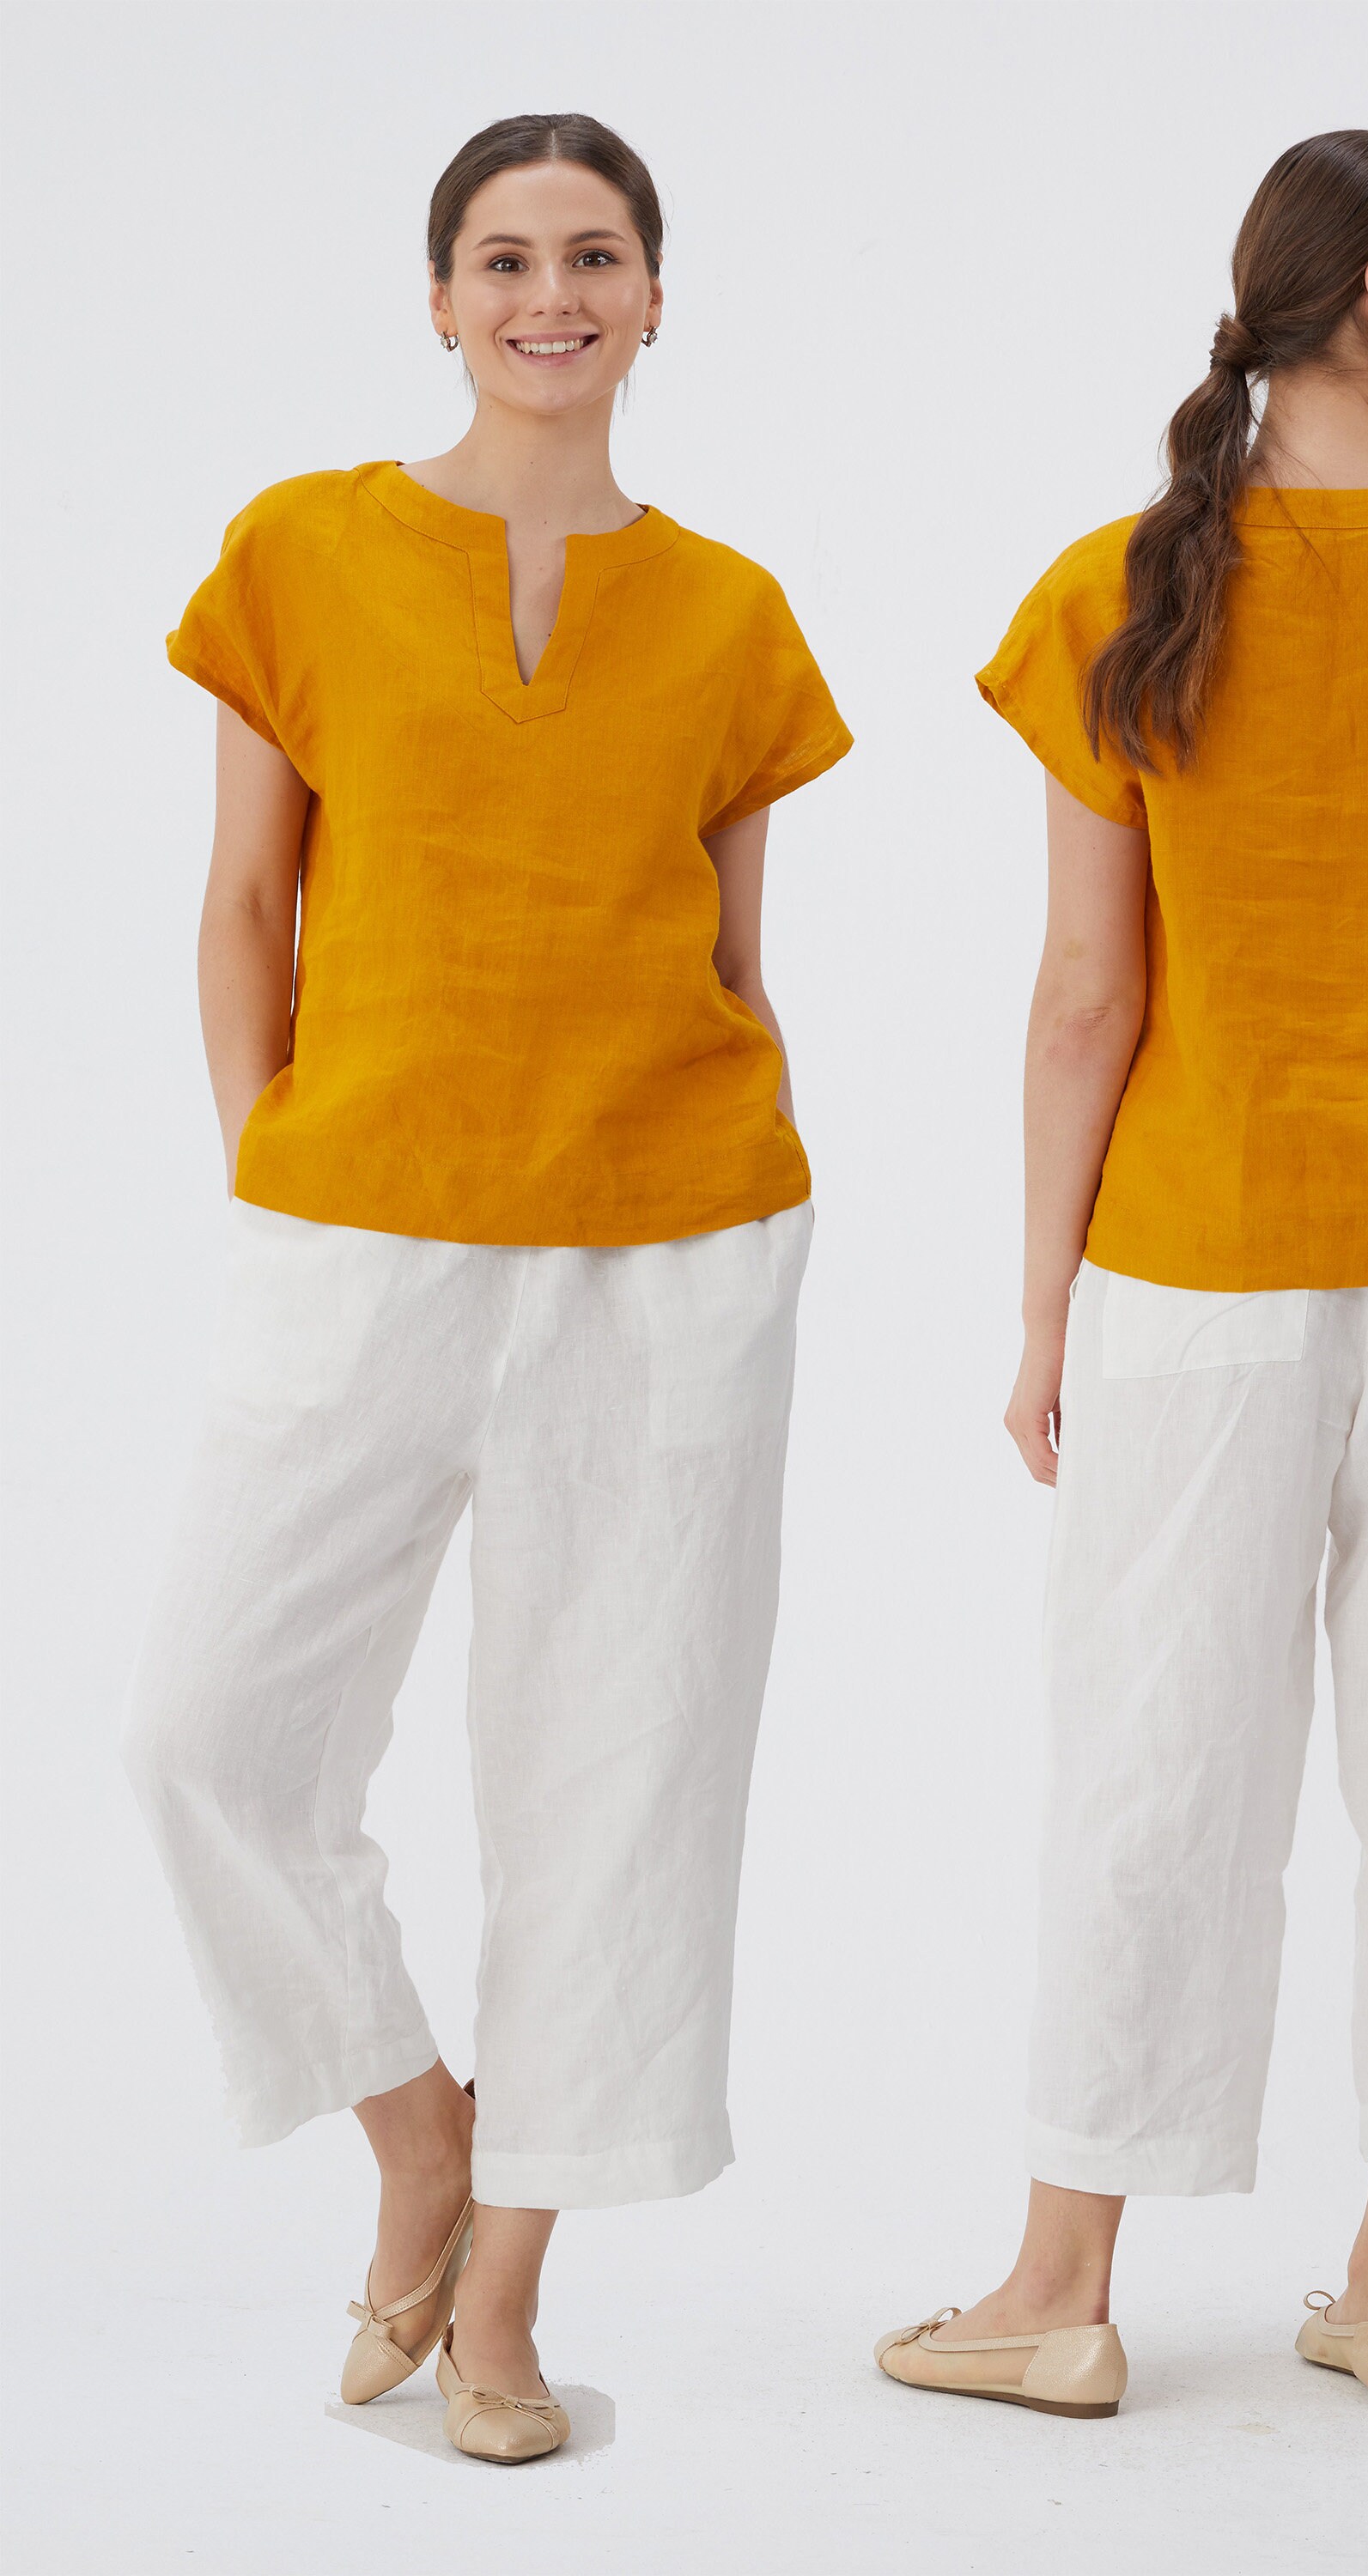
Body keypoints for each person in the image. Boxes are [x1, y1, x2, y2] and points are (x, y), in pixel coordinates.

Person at [873, 130, 1368, 2419]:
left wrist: (1044, 1306)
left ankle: (1063, 2289)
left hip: (1199, 1266)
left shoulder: (1121, 588)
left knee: (1156, 1765)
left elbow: (1082, 999)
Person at [125, 112, 848, 2465]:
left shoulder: (731, 614)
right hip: (362, 1223)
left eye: (598, 255)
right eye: (510, 257)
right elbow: (245, 902)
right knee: (207, 1734)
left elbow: (735, 955)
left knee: (618, 1774)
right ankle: (418, 2132)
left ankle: (510, 2304)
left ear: (656, 300)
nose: (555, 294)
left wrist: (743, 1202)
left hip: (673, 1247)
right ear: (440, 298)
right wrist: (274, 1160)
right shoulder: (303, 553)